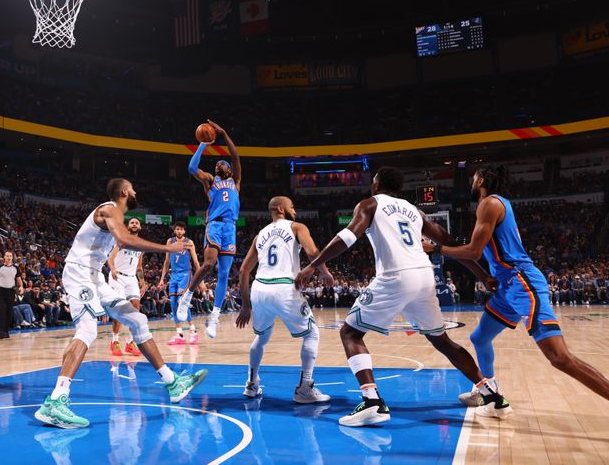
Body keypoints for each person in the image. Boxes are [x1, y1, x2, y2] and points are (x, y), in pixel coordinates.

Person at [296, 167, 499, 427]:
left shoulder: (370, 204)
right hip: (425, 276)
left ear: (377, 184)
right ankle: (490, 394)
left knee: (350, 333)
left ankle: (372, 402)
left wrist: (314, 264)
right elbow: (448, 240)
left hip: (396, 276)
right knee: (442, 340)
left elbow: (347, 237)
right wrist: (481, 274)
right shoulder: (415, 210)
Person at [427, 165, 609, 416]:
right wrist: (489, 276)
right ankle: (489, 391)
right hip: (506, 286)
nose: (471, 181)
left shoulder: (489, 203)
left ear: (481, 180)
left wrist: (436, 249)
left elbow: (473, 252)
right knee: (479, 338)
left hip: (522, 282)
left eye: (474, 177)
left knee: (560, 358)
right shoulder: (494, 204)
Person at [35, 178, 208, 429]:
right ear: (125, 192)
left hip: (95, 276)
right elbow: (125, 241)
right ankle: (55, 402)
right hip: (80, 273)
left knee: (138, 319)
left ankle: (172, 383)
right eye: (133, 188)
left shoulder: (115, 215)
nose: (136, 191)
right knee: (87, 331)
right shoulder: (109, 209)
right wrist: (167, 249)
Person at [235, 196, 334, 404]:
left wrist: (245, 305)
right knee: (312, 334)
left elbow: (244, 270)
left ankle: (251, 385)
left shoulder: (260, 235)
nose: (294, 210)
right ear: (281, 208)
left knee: (261, 337)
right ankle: (305, 388)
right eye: (291, 206)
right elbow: (312, 252)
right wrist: (324, 272)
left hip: (259, 288)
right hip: (283, 287)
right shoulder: (297, 227)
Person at [178, 121, 241, 339]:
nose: (219, 164)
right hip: (214, 225)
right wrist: (204, 145)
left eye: (223, 163)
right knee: (208, 265)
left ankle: (214, 315)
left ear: (230, 169)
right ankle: (187, 297)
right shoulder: (210, 181)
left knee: (224, 273)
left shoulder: (236, 181)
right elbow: (192, 168)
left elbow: (235, 156)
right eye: (217, 164)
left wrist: (223, 133)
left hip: (230, 228)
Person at [107, 217, 146, 356]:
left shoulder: (141, 245)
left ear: (140, 227)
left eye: (137, 223)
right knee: (119, 308)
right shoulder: (121, 239)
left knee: (135, 308)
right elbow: (110, 258)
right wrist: (112, 269)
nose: (134, 224)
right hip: (117, 276)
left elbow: (139, 266)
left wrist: (142, 281)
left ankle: (130, 343)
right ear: (128, 226)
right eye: (132, 223)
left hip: (131, 278)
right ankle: (115, 341)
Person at [158, 221, 201, 345]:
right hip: (174, 275)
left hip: (185, 274)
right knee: (173, 303)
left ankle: (193, 331)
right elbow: (166, 262)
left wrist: (200, 279)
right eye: (177, 229)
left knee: (182, 303)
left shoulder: (189, 242)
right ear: (174, 230)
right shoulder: (170, 242)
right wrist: (162, 279)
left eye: (181, 229)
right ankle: (179, 334)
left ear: (184, 231)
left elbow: (196, 262)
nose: (179, 231)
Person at [0, 251, 22, 339]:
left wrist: (21, 287)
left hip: (11, 291)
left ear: (12, 257)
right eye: (7, 256)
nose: (9, 257)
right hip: (1, 291)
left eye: (10, 256)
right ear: (4, 257)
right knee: (1, 311)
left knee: (9, 312)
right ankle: (1, 331)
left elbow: (19, 280)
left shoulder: (16, 268)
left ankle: (6, 331)